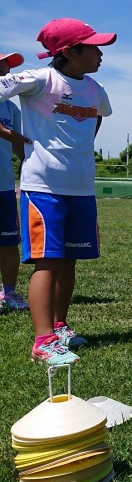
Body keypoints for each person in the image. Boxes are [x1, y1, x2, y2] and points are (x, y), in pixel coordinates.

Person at [0, 18, 116, 364]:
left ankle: (59, 325)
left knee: (68, 262)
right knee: (47, 263)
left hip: (80, 189)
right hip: (43, 188)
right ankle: (43, 341)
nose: (100, 53)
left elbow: (98, 116)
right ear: (68, 51)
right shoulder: (40, 78)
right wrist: (19, 138)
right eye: (93, 47)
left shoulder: (95, 90)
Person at [0, 51, 29, 312]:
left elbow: (19, 143)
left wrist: (26, 162)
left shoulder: (11, 107)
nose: (6, 71)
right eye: (1, 66)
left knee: (9, 242)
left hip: (4, 186)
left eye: (8, 67)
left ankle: (9, 293)